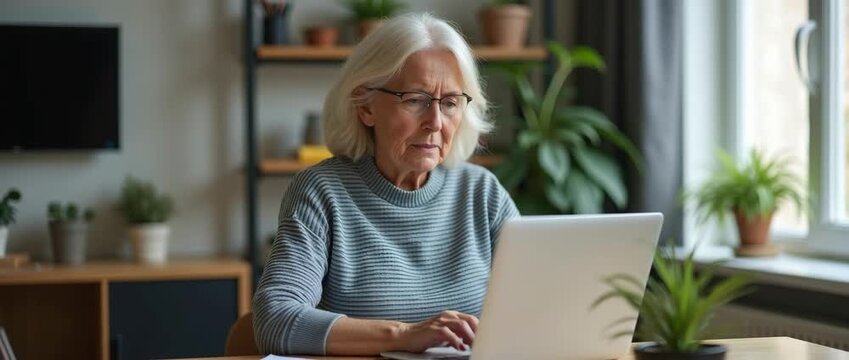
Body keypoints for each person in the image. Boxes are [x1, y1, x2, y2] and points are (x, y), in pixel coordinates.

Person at [253, 13, 520, 356]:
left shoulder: (483, 193)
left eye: (450, 102)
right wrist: (403, 335)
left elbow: (540, 298)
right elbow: (275, 320)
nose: (435, 123)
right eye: (414, 99)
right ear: (366, 106)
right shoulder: (322, 192)